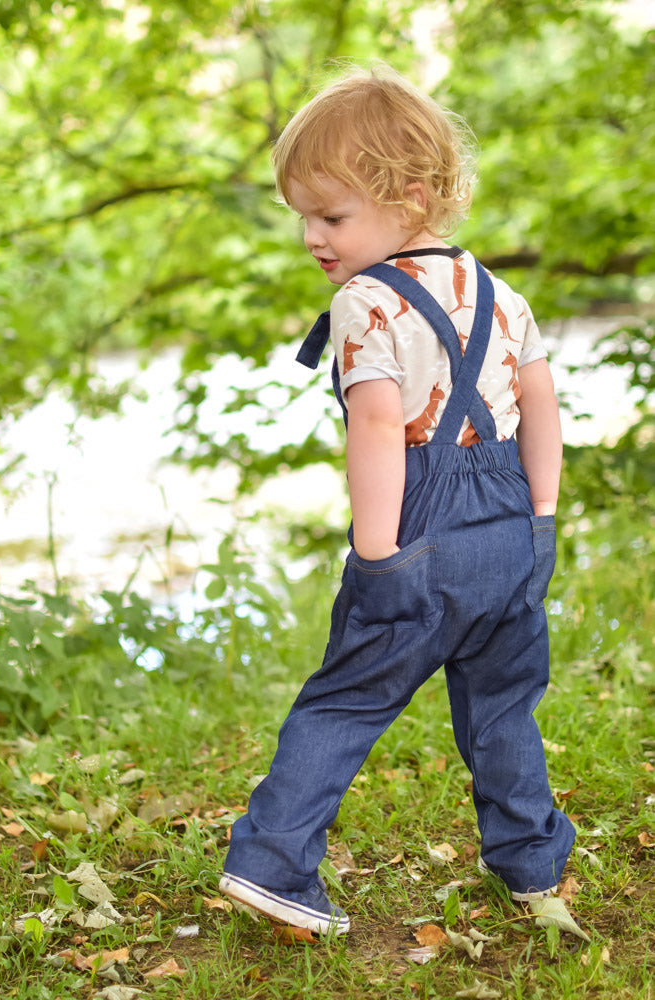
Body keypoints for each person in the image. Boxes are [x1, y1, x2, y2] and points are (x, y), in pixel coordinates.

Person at [219, 67, 576, 935]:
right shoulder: (504, 294)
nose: (311, 235)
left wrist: (377, 554)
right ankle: (533, 865)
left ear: (410, 195)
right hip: (511, 521)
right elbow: (541, 409)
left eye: (331, 215)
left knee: (346, 699)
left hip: (416, 523)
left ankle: (271, 866)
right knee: (501, 707)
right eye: (302, 214)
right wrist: (541, 524)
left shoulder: (365, 301)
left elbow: (377, 428)